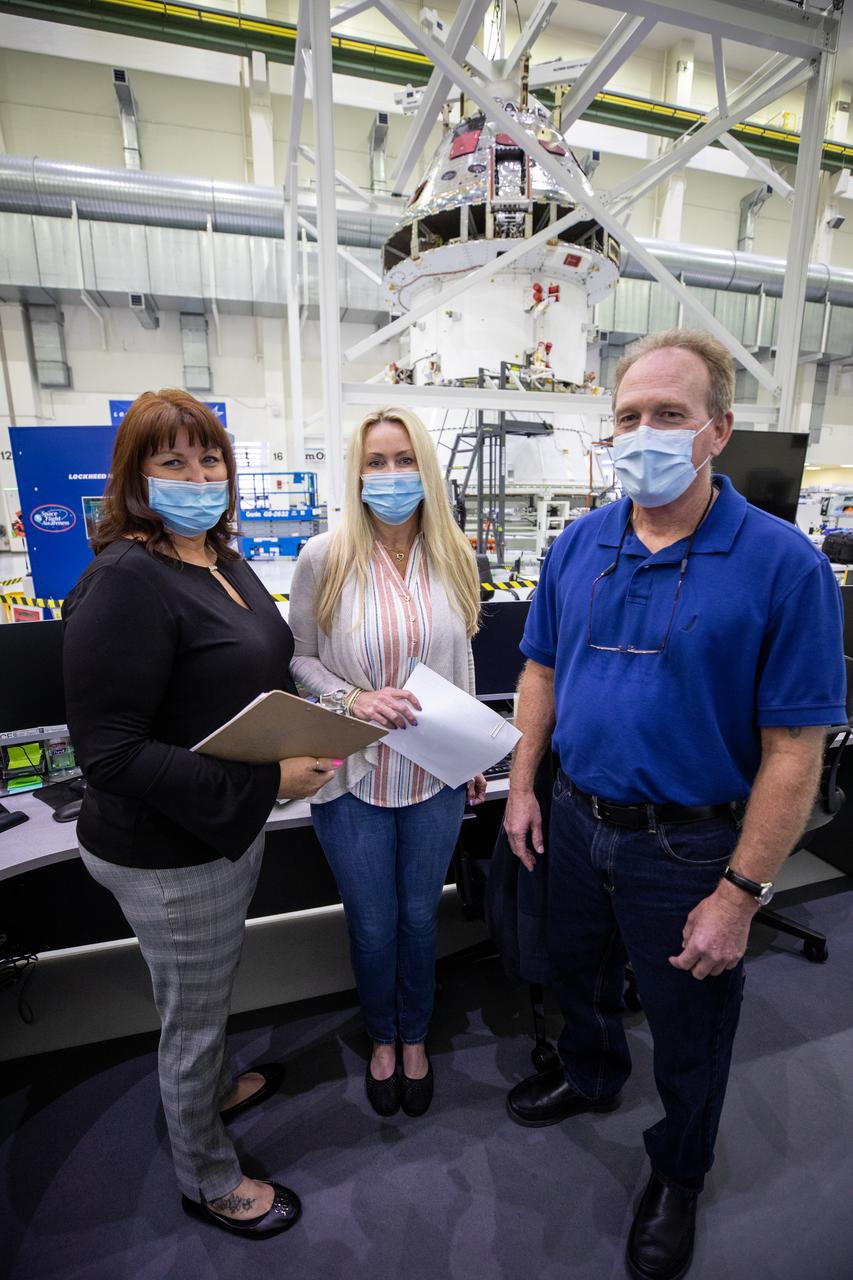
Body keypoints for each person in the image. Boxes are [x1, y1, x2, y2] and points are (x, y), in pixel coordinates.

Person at [502, 330, 846, 1280]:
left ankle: (679, 1172)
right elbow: (538, 669)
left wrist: (740, 894)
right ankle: (590, 1073)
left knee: (691, 1028)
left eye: (668, 415)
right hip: (573, 820)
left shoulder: (783, 567)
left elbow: (793, 750)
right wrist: (524, 786)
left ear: (716, 431)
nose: (642, 433)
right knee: (575, 975)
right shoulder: (581, 542)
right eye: (626, 416)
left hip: (687, 848)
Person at [62, 390, 338, 1239]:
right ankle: (208, 1178)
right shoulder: (125, 581)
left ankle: (215, 1091)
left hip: (218, 832)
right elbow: (108, 754)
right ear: (135, 478)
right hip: (168, 849)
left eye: (209, 458)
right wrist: (265, 785)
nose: (198, 475)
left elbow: (252, 668)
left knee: (206, 993)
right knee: (191, 1017)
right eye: (172, 461)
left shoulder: (217, 556)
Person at [288, 406, 486, 1118]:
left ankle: (414, 1036)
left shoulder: (453, 554)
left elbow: (460, 658)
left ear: (425, 468)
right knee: (372, 925)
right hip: (352, 773)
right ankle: (382, 1037)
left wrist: (471, 755)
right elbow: (299, 656)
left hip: (433, 772)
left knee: (420, 919)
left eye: (404, 460)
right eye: (376, 462)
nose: (391, 475)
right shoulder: (324, 556)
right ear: (356, 471)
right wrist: (352, 699)